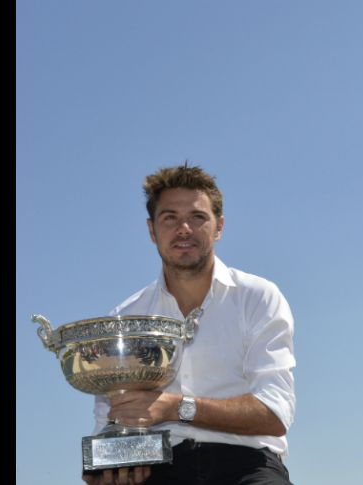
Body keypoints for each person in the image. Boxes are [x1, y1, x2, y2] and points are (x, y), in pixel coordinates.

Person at [82, 164, 296, 485]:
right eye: (169, 218)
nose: (184, 228)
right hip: (159, 468)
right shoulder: (125, 318)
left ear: (219, 227)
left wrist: (175, 407)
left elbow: (275, 414)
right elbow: (108, 424)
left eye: (197, 217)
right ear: (152, 231)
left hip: (248, 464)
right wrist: (108, 467)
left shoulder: (257, 297)